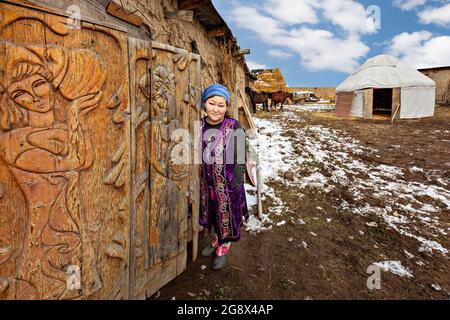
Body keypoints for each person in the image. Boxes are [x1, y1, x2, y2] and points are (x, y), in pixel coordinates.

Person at [199, 83, 249, 270]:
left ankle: (224, 247)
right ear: (204, 104)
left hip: (228, 185)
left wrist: (236, 183)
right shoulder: (199, 125)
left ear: (226, 107)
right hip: (207, 183)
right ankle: (216, 239)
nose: (216, 109)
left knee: (227, 216)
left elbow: (241, 157)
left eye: (221, 105)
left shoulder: (233, 125)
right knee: (213, 214)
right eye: (212, 103)